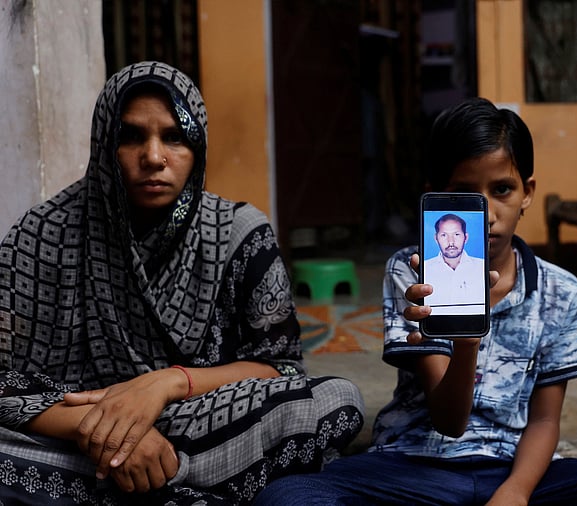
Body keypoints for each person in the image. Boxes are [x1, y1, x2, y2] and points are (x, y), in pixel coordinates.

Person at [253, 97, 577, 505]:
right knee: (288, 497)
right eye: (462, 193)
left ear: (527, 195)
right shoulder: (412, 271)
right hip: (415, 469)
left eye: (502, 189)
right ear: (436, 199)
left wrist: (515, 493)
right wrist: (468, 331)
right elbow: (449, 420)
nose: (486, 212)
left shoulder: (561, 290)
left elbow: (543, 420)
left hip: (517, 472)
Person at [0, 61, 364, 504]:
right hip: (76, 435)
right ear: (103, 144)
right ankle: (172, 486)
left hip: (195, 421)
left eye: (174, 137)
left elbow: (280, 368)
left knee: (335, 401)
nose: (154, 157)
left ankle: (145, 480)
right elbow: (4, 383)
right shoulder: (43, 234)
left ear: (198, 147)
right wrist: (109, 430)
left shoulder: (239, 233)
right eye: (131, 137)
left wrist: (166, 384)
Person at [423, 213, 486, 312]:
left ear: (466, 237)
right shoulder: (424, 269)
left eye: (456, 234)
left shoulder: (483, 267)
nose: (451, 242)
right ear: (436, 238)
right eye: (444, 235)